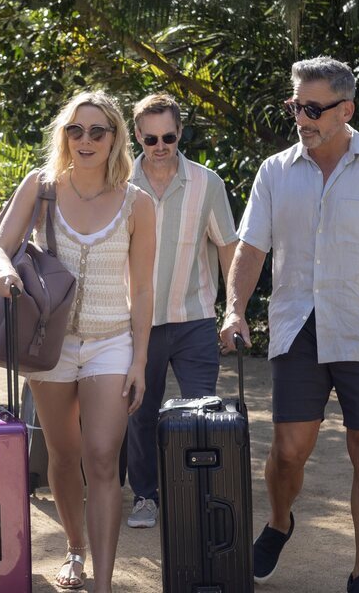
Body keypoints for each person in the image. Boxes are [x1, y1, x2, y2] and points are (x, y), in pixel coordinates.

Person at [220, 56, 359, 593]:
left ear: (346, 111)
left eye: (313, 109)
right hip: (298, 326)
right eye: (296, 106)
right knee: (290, 449)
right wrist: (235, 309)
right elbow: (251, 248)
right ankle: (279, 521)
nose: (302, 119)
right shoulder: (274, 171)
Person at [0, 90, 156, 592]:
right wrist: (4, 272)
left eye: (97, 131)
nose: (85, 140)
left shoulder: (137, 203)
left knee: (102, 456)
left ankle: (102, 583)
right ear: (64, 135)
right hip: (50, 343)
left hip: (111, 342)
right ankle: (74, 548)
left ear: (114, 138)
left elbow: (143, 289)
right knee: (63, 455)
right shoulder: (41, 186)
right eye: (75, 130)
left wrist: (140, 361)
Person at [124, 93, 238, 529]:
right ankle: (145, 497)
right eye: (150, 138)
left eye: (168, 137)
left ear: (180, 133)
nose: (160, 146)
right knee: (140, 413)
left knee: (201, 413)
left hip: (194, 319)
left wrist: (235, 310)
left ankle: (197, 495)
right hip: (137, 323)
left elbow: (228, 247)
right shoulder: (119, 182)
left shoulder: (207, 184)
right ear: (137, 135)